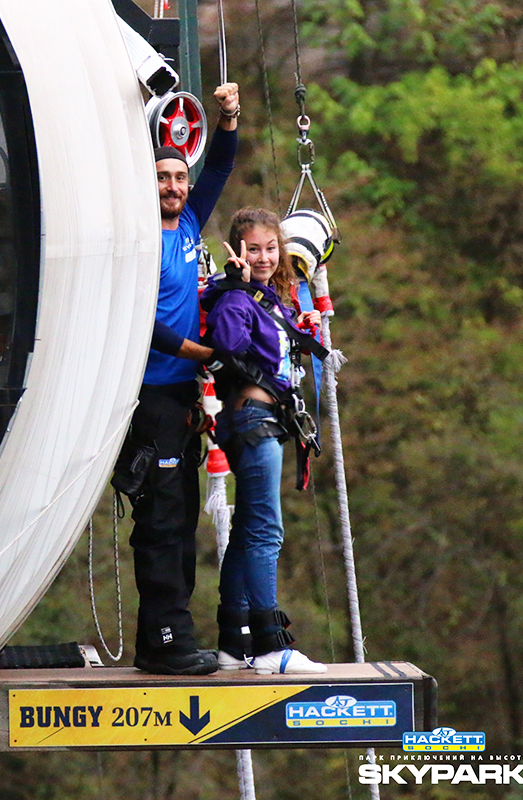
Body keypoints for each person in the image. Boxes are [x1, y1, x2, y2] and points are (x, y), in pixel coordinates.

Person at [124, 82, 238, 676]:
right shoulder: (140, 235)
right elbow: (140, 320)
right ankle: (166, 639)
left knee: (182, 513)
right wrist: (201, 351)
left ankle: (169, 635)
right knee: (162, 518)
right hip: (148, 394)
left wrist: (227, 119)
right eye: (162, 178)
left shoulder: (191, 221)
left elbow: (221, 163)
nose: (172, 187)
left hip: (180, 394)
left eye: (178, 179)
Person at [201, 207, 328, 675]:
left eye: (271, 248)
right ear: (237, 251)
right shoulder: (237, 298)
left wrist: (303, 323)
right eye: (253, 249)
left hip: (265, 421)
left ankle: (234, 643)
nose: (264, 257)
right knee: (264, 531)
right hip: (254, 422)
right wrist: (234, 287)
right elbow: (229, 345)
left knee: (247, 533)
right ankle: (272, 644)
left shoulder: (269, 300)